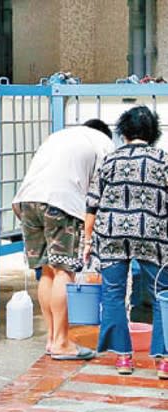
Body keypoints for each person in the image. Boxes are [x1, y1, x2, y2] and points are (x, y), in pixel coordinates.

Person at [13, 119, 114, 360]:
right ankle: (62, 342)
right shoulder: (103, 143)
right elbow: (100, 191)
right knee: (64, 270)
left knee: (46, 270)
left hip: (26, 202)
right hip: (61, 204)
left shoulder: (59, 136)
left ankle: (51, 338)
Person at [85, 106, 168, 379]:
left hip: (112, 235)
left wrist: (87, 242)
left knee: (113, 294)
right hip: (153, 235)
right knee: (161, 294)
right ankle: (163, 362)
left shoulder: (110, 160)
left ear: (124, 131)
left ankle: (123, 358)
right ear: (152, 132)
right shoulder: (162, 160)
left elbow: (92, 204)